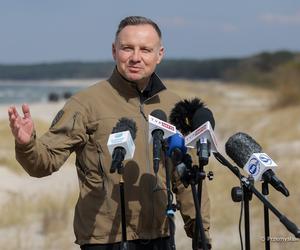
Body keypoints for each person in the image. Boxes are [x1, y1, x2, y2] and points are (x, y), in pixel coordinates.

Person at [8, 16, 211, 249]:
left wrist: (201, 235)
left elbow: (187, 179)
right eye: (127, 48)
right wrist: (27, 144)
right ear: (114, 51)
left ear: (160, 54)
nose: (136, 57)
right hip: (103, 239)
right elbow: (43, 163)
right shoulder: (85, 104)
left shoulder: (175, 106)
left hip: (160, 236)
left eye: (145, 49)